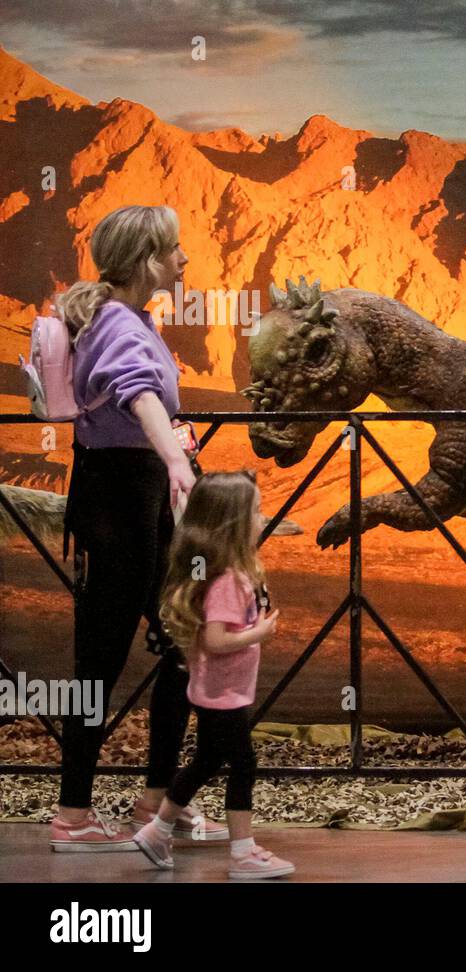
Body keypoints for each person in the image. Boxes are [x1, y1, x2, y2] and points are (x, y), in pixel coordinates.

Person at [49, 204, 227, 850]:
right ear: (148, 261)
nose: (184, 260)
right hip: (124, 496)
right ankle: (74, 814)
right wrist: (178, 462)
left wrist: (171, 463)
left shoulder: (125, 319)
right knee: (103, 656)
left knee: (182, 637)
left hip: (134, 493)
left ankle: (156, 801)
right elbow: (139, 395)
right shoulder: (118, 324)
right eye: (175, 249)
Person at [134, 470, 293, 879]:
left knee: (205, 761)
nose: (263, 519)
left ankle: (158, 828)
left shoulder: (235, 574)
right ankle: (243, 852)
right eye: (256, 512)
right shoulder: (227, 582)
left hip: (223, 691)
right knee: (243, 765)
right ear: (233, 523)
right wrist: (259, 632)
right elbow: (217, 639)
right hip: (222, 695)